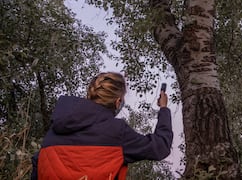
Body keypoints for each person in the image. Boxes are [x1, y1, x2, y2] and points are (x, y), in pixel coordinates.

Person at [31, 72, 173, 179]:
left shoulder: (53, 132)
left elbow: (38, 168)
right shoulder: (117, 132)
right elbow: (161, 146)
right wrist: (164, 109)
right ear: (118, 102)